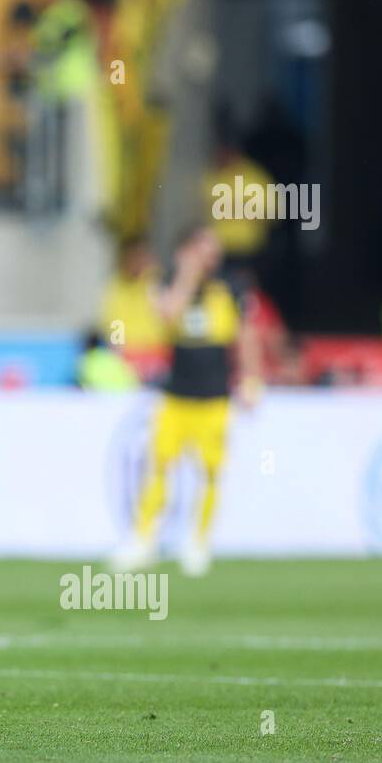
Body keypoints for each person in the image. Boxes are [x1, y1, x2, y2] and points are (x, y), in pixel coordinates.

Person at [108, 224, 262, 578]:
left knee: (210, 472)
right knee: (158, 466)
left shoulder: (233, 287)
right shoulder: (166, 284)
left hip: (214, 397)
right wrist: (187, 277)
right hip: (176, 395)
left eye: (213, 250)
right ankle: (143, 542)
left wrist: (252, 378)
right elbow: (167, 315)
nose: (211, 257)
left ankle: (198, 543)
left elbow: (246, 334)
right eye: (203, 249)